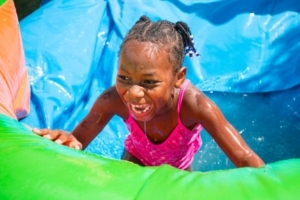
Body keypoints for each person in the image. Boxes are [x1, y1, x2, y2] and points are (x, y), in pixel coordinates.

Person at [33, 15, 264, 171]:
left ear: (178, 78)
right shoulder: (112, 100)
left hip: (179, 170)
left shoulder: (196, 107)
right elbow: (78, 139)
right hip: (134, 159)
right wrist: (66, 141)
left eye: (149, 82)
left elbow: (244, 158)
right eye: (124, 77)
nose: (133, 93)